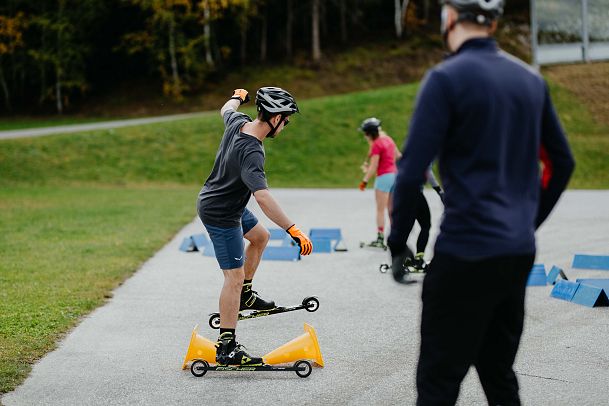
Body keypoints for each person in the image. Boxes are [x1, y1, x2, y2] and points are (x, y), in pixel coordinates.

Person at [387, 0, 575, 404]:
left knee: (438, 380)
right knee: (498, 372)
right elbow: (562, 163)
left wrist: (397, 240)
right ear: (492, 22)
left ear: (450, 17)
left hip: (465, 252)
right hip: (516, 252)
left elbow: (410, 171)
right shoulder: (530, 79)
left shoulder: (445, 79)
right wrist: (527, 221)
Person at [197, 87, 313, 366]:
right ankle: (226, 346)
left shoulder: (239, 121)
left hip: (229, 204)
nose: (286, 125)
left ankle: (246, 295)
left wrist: (238, 96)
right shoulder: (252, 152)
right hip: (221, 213)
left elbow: (226, 109)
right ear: (275, 118)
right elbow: (262, 197)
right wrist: (292, 228)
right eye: (286, 119)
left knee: (260, 237)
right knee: (232, 278)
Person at [358, 117, 401, 249]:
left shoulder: (376, 144)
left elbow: (373, 166)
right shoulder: (388, 140)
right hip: (395, 175)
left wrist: (364, 181)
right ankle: (396, 237)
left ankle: (380, 238)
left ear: (368, 133)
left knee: (380, 210)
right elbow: (399, 156)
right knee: (392, 210)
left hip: (383, 178)